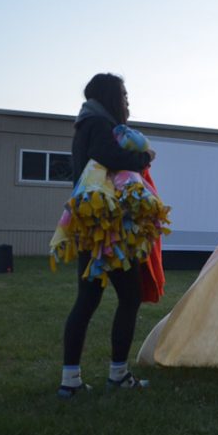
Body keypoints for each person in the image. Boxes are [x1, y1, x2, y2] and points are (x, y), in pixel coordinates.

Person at [57, 73, 156, 398]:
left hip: (92, 226)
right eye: (124, 95)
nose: (127, 101)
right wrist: (143, 158)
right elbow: (109, 157)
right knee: (129, 297)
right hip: (108, 228)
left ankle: (70, 380)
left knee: (87, 299)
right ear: (110, 96)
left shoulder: (88, 123)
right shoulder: (99, 125)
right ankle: (117, 374)